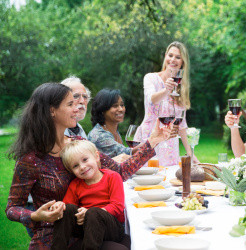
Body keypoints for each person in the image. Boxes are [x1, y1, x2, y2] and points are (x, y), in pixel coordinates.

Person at [6, 83, 173, 249]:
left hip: (91, 230)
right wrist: (35, 215)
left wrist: (154, 140)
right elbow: (13, 207)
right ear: (52, 111)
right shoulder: (31, 159)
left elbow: (120, 171)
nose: (77, 108)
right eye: (70, 104)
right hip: (53, 235)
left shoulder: (79, 145)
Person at [51, 140, 125, 250]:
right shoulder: (75, 184)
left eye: (85, 160)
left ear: (96, 156)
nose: (82, 167)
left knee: (93, 212)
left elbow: (117, 206)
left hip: (112, 227)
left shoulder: (112, 177)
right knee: (67, 209)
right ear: (71, 170)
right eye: (75, 166)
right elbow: (68, 208)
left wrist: (90, 212)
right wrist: (59, 206)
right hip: (87, 228)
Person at [134, 41, 197, 165]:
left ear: (183, 62)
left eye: (178, 57)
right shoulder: (150, 78)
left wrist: (191, 153)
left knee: (169, 180)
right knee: (147, 180)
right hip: (149, 138)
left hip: (170, 144)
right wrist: (166, 90)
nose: (173, 60)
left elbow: (182, 124)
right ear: (165, 57)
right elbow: (152, 98)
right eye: (170, 55)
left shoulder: (182, 88)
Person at [88, 89, 134, 159]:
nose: (121, 109)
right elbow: (126, 153)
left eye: (122, 105)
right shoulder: (100, 135)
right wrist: (150, 142)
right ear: (102, 110)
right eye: (115, 106)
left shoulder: (113, 130)